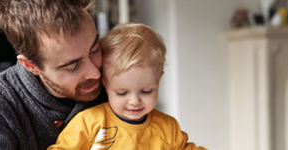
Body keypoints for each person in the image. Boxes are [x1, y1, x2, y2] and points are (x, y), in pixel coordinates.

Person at [0, 0, 108, 149]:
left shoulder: (122, 74)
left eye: (94, 50)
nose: (95, 73)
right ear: (31, 65)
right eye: (72, 66)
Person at [47, 23, 207, 150]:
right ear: (105, 84)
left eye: (146, 91)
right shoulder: (89, 122)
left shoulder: (167, 127)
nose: (135, 101)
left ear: (159, 79)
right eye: (122, 93)